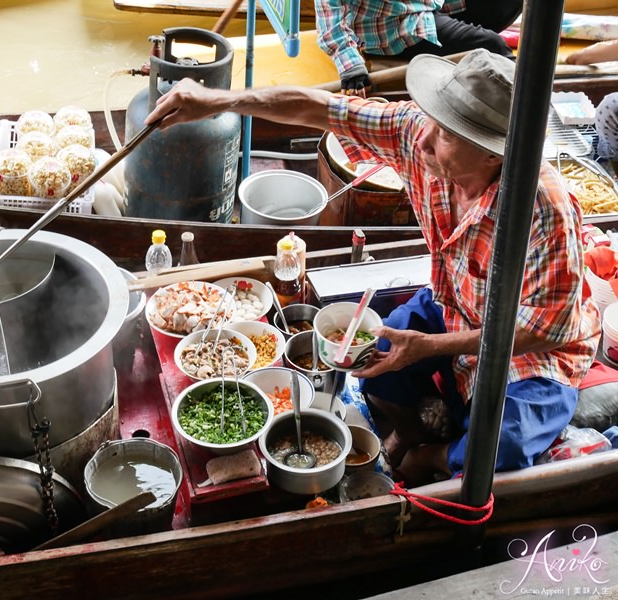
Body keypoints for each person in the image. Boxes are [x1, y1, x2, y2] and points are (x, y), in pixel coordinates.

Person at [146, 49, 601, 487]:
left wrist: (428, 347)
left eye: (445, 134)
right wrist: (217, 101)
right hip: (453, 302)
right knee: (365, 361)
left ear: (491, 154)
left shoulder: (544, 207)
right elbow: (320, 108)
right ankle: (415, 431)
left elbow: (549, 328)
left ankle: (433, 456)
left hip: (534, 349)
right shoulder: (419, 136)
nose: (422, 140)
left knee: (500, 446)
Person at [314, 0, 522, 95]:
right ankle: (510, 111)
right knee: (494, 47)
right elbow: (330, 26)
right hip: (399, 27)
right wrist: (351, 67)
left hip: (429, 4)